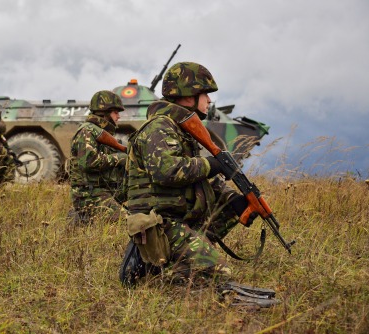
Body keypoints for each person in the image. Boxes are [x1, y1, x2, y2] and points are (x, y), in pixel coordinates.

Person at [124, 62, 258, 285]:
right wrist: (212, 164)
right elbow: (167, 171)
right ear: (188, 96)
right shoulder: (160, 127)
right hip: (161, 223)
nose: (209, 101)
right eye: (205, 94)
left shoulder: (180, 130)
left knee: (229, 207)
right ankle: (158, 273)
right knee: (219, 275)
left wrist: (233, 199)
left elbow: (202, 177)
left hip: (179, 218)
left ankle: (179, 261)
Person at [68, 90, 128, 224]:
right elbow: (88, 162)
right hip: (89, 194)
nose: (118, 116)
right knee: (125, 223)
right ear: (105, 113)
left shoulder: (99, 132)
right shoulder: (87, 131)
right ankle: (80, 216)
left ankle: (80, 219)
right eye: (115, 112)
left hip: (100, 190)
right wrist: (119, 158)